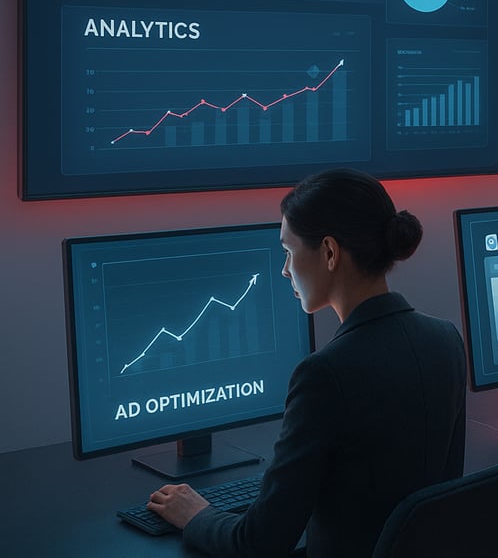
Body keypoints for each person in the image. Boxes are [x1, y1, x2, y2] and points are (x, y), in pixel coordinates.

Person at [146, 168, 467, 558]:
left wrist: (196, 514)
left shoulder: (325, 374)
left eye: (288, 251)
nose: (284, 270)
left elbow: (258, 543)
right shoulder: (446, 338)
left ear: (330, 253)